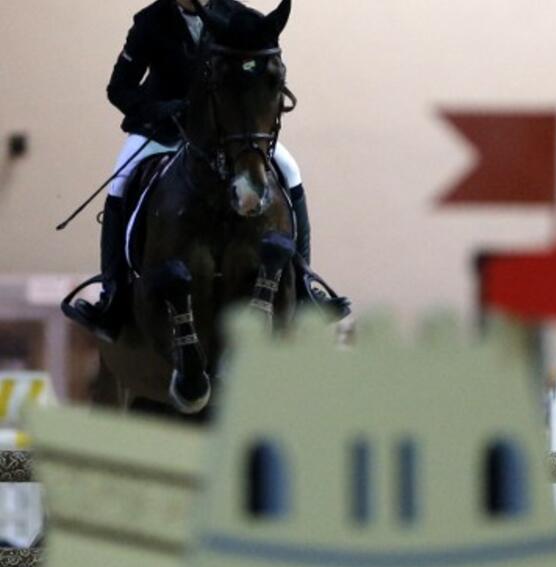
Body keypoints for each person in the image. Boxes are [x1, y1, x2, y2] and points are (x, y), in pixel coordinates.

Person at [65, 0, 346, 342]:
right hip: (165, 131)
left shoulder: (241, 19)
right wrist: (163, 108)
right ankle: (113, 292)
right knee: (121, 183)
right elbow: (118, 89)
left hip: (229, 136)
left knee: (289, 169)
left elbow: (263, 75)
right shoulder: (150, 22)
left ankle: (304, 283)